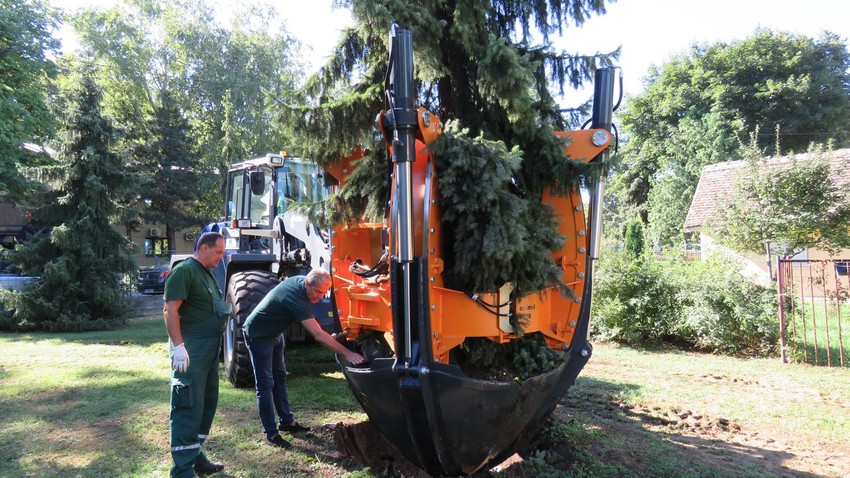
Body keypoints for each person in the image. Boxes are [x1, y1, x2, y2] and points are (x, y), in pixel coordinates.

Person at [243, 268, 366, 448]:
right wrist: (347, 353)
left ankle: (286, 421)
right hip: (259, 336)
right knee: (265, 385)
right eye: (318, 292)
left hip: (276, 334)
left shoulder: (304, 282)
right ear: (307, 284)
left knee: (280, 377)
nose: (321, 297)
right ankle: (271, 433)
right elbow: (317, 334)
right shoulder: (295, 297)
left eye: (325, 292)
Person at [163, 232, 229, 478]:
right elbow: (170, 311)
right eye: (218, 253)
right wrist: (179, 347)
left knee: (205, 406)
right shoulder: (185, 271)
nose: (220, 259)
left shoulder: (207, 272)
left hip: (208, 354)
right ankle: (182, 471)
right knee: (187, 407)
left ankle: (196, 458)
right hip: (190, 354)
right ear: (204, 248)